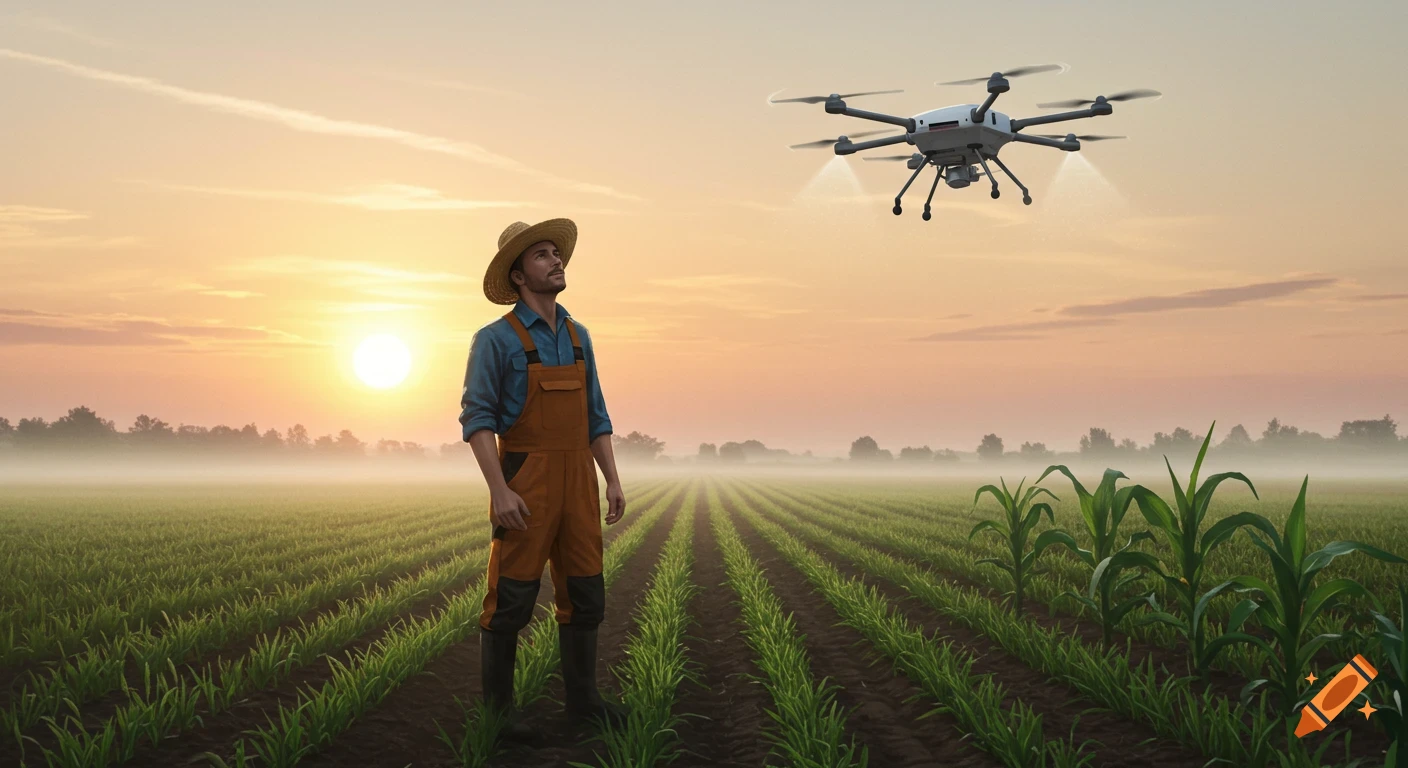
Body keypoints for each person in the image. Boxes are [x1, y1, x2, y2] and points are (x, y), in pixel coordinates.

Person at [458, 217, 628, 742]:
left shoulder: (580, 337)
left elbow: (596, 415)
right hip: (525, 482)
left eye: (556, 253)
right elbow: (477, 420)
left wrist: (612, 479)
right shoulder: (494, 340)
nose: (556, 261)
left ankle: (584, 702)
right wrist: (499, 489)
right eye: (541, 255)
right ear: (517, 276)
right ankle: (500, 716)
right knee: (510, 598)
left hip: (579, 482)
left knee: (586, 592)